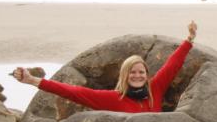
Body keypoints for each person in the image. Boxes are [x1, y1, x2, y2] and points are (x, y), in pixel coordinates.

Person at [13, 21, 197, 111]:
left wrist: (189, 39)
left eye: (141, 72)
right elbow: (73, 92)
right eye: (132, 72)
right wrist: (32, 80)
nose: (137, 75)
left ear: (147, 74)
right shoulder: (113, 99)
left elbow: (172, 65)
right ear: (125, 76)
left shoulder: (155, 88)